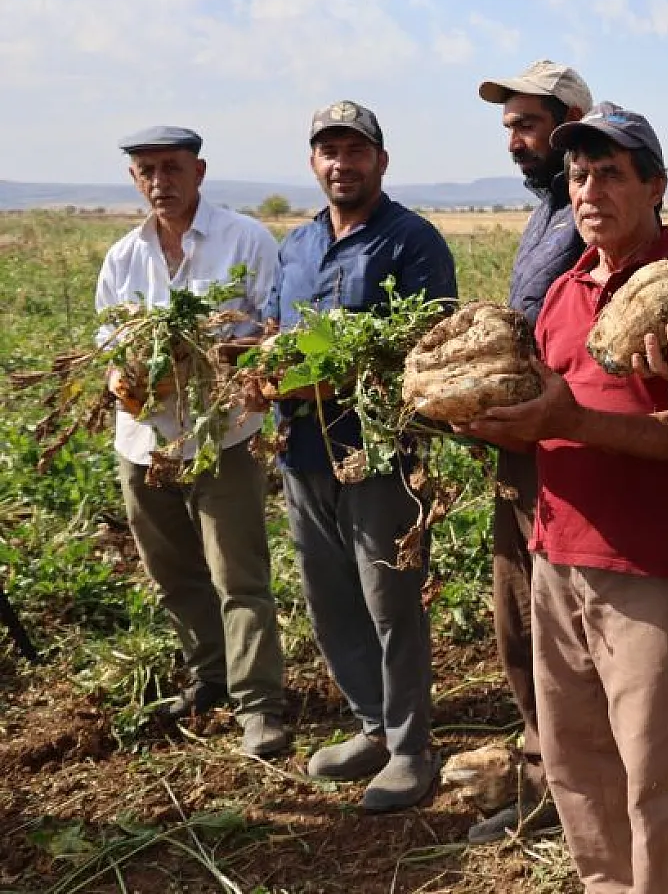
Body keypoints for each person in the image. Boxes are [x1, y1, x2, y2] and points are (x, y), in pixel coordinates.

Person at [464, 102, 668, 892]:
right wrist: (475, 416)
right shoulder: (561, 294)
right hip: (556, 559)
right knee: (577, 762)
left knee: (657, 776)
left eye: (611, 173)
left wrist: (572, 419)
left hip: (649, 568)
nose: (589, 190)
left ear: (655, 185)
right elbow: (545, 427)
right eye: (579, 174)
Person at [267, 100, 458, 813]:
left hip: (377, 449)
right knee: (330, 598)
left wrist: (339, 372)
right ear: (313, 162)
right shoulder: (296, 246)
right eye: (328, 151)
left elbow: (430, 350)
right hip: (303, 451)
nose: (341, 163)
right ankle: (372, 727)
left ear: (380, 160)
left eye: (355, 151)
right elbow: (276, 332)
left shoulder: (412, 241)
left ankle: (412, 749)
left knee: (390, 603)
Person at [95, 125, 290, 759]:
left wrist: (210, 353)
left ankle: (260, 704)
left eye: (172, 168)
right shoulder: (125, 256)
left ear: (199, 172)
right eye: (147, 170)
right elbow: (107, 343)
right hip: (144, 440)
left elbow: (272, 329)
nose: (160, 181)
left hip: (224, 435)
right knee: (173, 573)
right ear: (134, 179)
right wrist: (121, 371)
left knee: (239, 577)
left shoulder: (246, 240)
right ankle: (211, 680)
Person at [467, 59, 593, 844]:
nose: (514, 140)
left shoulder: (588, 204)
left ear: (568, 120)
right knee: (517, 615)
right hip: (520, 445)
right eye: (508, 126)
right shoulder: (545, 210)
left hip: (568, 445)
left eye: (527, 124)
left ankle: (574, 787)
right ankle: (547, 769)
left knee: (563, 623)